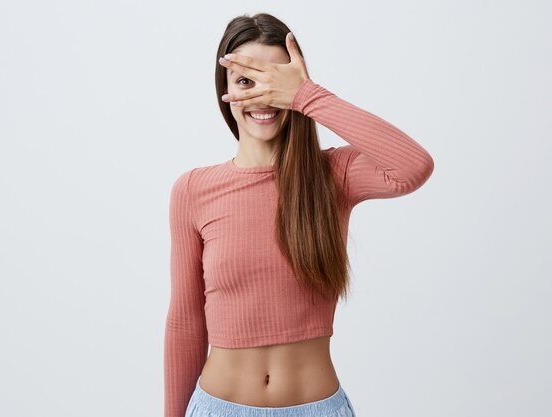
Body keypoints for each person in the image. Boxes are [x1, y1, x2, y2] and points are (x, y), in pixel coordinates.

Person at [164, 12, 434, 417]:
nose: (262, 97)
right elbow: (185, 323)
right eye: (245, 82)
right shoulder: (193, 190)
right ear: (225, 91)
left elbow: (413, 167)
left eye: (275, 81)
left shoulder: (333, 176)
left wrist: (307, 96)